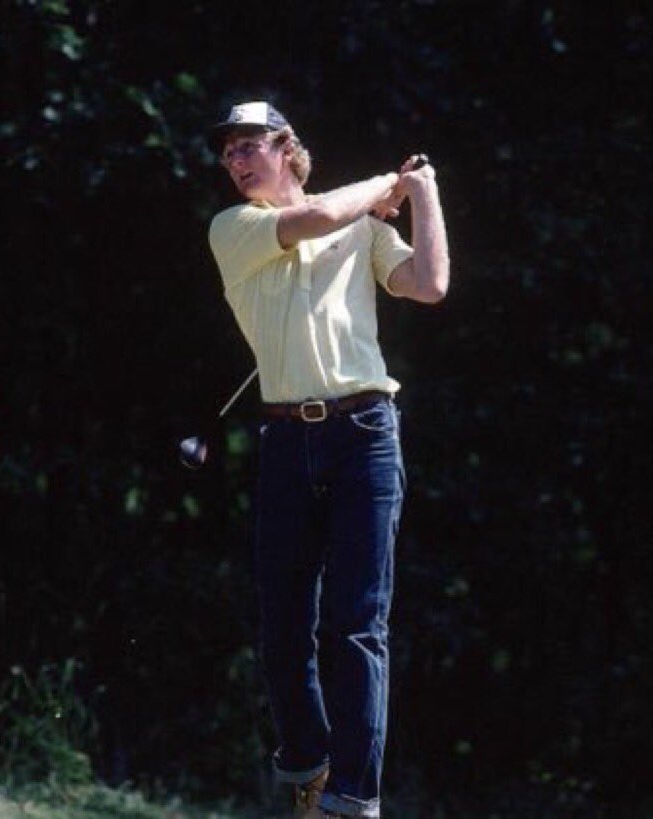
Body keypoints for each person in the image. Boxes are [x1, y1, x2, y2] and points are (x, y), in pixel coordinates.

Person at [207, 101, 449, 819]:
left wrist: (425, 196)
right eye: (228, 154)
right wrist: (382, 185)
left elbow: (429, 285)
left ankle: (352, 799)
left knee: (356, 622)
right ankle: (309, 766)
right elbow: (312, 222)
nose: (237, 162)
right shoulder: (236, 228)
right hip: (285, 440)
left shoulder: (366, 228)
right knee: (284, 627)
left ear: (286, 147)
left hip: (365, 436)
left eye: (250, 146)